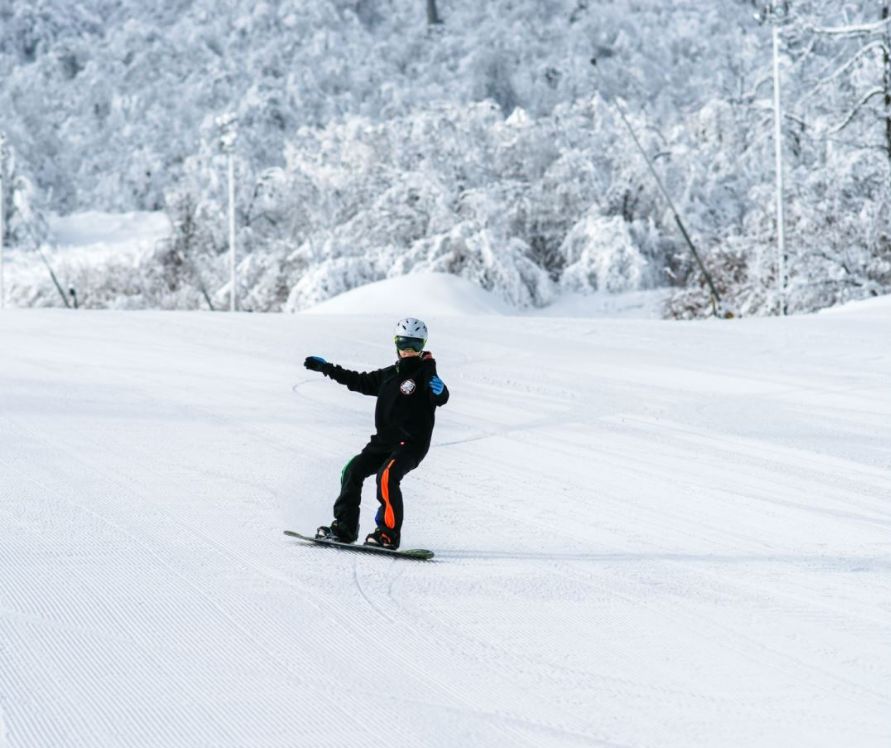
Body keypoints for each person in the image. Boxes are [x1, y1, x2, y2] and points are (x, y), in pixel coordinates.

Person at [303, 317, 449, 549]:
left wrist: (441, 393)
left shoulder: (425, 374)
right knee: (352, 470)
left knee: (387, 477)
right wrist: (326, 368)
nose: (408, 350)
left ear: (423, 346)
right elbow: (358, 380)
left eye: (415, 345)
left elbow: (439, 395)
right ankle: (345, 528)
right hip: (383, 443)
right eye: (403, 344)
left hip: (411, 444)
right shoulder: (389, 375)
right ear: (396, 344)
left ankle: (388, 534)